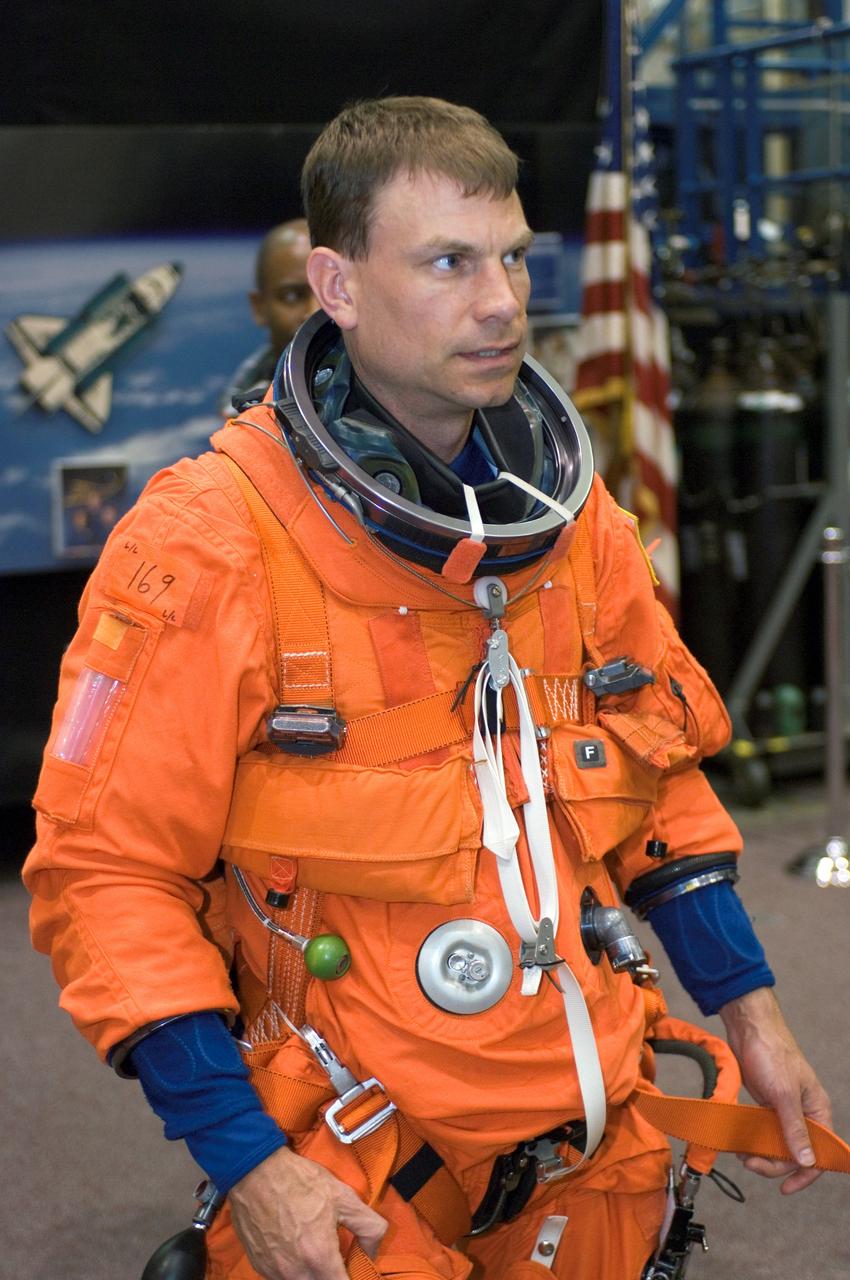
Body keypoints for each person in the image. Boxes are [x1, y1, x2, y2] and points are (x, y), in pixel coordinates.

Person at [24, 97, 835, 1280]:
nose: (503, 300)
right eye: (449, 262)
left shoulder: (573, 525)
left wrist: (752, 1014)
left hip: (594, 1143)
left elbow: (651, 774)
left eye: (512, 256)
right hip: (368, 1167)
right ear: (335, 286)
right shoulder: (212, 541)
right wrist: (251, 1162)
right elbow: (107, 872)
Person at [221, 217, 318, 413]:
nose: (315, 311)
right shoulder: (242, 417)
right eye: (292, 296)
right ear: (259, 308)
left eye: (331, 290)